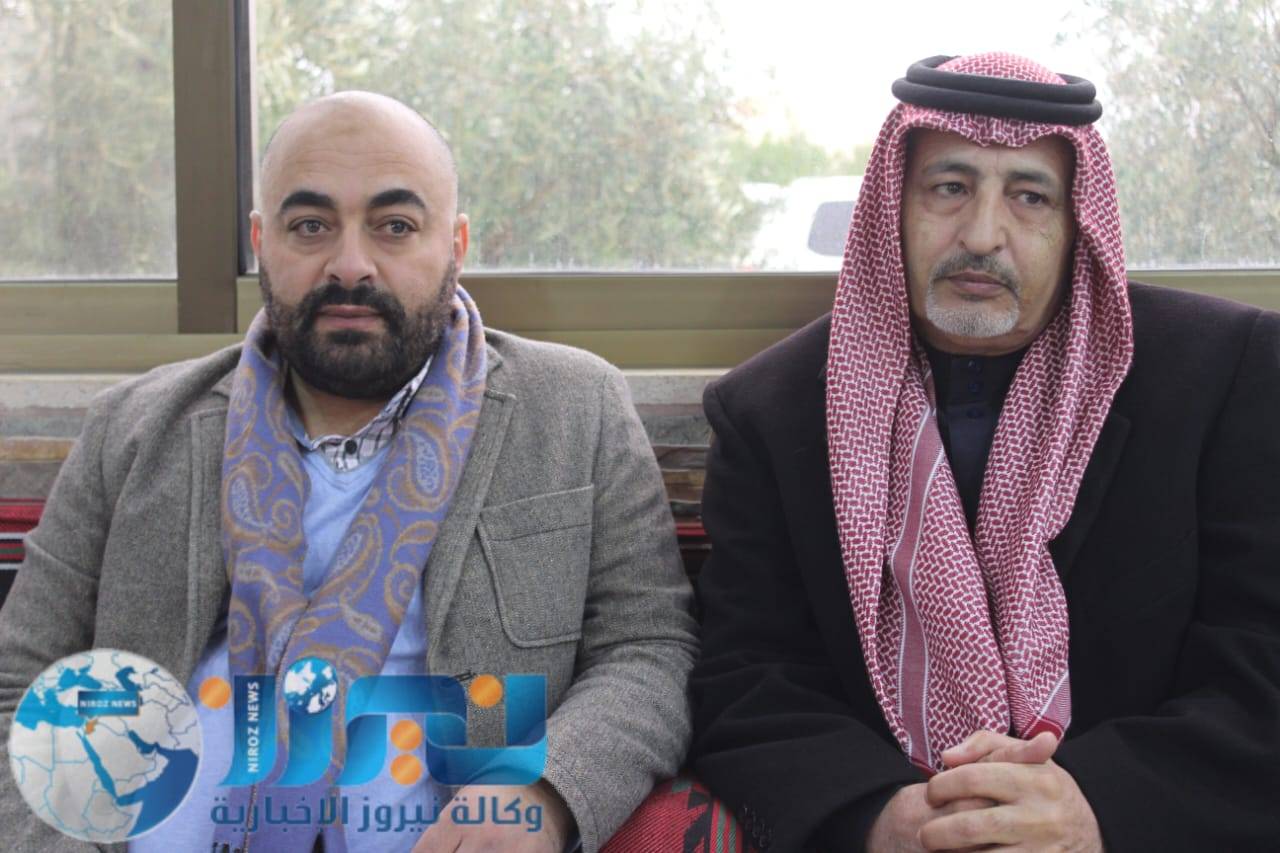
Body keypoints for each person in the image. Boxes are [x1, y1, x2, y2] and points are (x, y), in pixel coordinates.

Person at [0, 91, 697, 853]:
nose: (351, 264)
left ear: (456, 243)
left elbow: (649, 648)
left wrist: (546, 790)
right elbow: (17, 681)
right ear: (262, 242)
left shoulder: (573, 407)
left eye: (395, 226)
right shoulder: (133, 429)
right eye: (311, 226)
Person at [689, 53, 1280, 852]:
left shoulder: (1225, 374)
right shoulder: (771, 408)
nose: (981, 235)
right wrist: (877, 816)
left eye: (1030, 196)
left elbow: (1262, 657)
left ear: (1078, 223)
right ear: (893, 208)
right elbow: (748, 675)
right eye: (949, 188)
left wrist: (1098, 806)